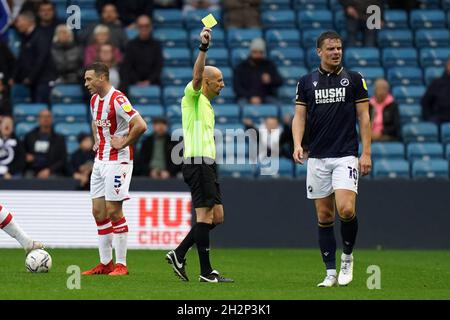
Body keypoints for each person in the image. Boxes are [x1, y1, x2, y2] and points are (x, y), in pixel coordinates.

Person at [292, 31, 371, 287]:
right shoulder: (306, 82)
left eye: (339, 48)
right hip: (317, 158)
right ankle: (329, 272)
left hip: (345, 155)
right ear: (319, 52)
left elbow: (364, 117)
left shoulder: (355, 79)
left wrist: (366, 152)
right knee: (325, 217)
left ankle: (347, 257)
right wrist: (296, 144)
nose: (336, 52)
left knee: (346, 209)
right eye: (330, 49)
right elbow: (299, 117)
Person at [165, 28, 233, 283]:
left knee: (217, 216)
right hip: (197, 163)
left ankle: (179, 253)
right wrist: (203, 48)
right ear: (206, 81)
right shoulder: (192, 97)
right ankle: (206, 273)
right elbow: (196, 75)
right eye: (219, 80)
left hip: (208, 165)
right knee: (205, 217)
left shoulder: (206, 105)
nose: (222, 84)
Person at [82, 62, 147, 276]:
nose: (86, 83)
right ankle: (105, 263)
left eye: (89, 79)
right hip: (100, 161)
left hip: (118, 162)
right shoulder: (94, 100)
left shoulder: (118, 99)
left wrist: (125, 142)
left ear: (102, 78)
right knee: (98, 211)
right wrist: (96, 140)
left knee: (114, 211)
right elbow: (96, 123)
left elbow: (140, 124)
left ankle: (122, 265)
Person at [13, 11, 55, 103]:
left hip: (43, 81)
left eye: (19, 21)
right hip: (33, 82)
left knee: (40, 107)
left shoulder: (41, 36)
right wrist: (15, 77)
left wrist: (30, 77)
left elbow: (41, 59)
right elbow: (22, 59)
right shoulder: (25, 37)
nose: (17, 24)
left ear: (29, 22)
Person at [119, 15, 163, 93]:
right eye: (141, 26)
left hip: (153, 82)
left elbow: (158, 66)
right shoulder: (130, 45)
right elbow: (127, 66)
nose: (144, 28)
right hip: (132, 82)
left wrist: (149, 81)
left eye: (146, 26)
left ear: (151, 27)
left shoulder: (157, 45)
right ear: (137, 27)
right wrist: (136, 81)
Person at [233, 38, 283, 105]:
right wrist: (250, 97)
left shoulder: (269, 65)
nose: (258, 55)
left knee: (278, 107)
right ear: (251, 52)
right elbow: (237, 88)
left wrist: (270, 80)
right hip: (246, 98)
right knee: (242, 105)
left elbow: (279, 81)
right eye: (255, 52)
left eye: (260, 52)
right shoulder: (241, 67)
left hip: (266, 97)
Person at [23, 109, 67, 178]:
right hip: (32, 170)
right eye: (43, 116)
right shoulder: (29, 136)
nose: (46, 119)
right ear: (38, 119)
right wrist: (26, 156)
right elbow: (22, 153)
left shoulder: (59, 139)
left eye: (48, 116)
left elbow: (63, 160)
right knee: (27, 177)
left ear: (52, 119)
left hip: (52, 171)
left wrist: (49, 170)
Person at [421, 56, 450, 125]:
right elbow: (425, 102)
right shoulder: (436, 83)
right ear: (447, 65)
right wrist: (430, 118)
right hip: (439, 119)